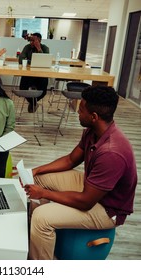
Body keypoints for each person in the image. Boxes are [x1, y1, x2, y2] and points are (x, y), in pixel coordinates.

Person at [20, 85, 137, 260]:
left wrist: (44, 193)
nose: (77, 113)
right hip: (92, 188)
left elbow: (85, 202)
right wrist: (37, 170)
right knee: (39, 179)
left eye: (81, 110)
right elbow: (70, 160)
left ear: (94, 116)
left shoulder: (112, 152)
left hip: (107, 208)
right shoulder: (94, 131)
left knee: (41, 218)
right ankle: (39, 237)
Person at [18, 32, 50, 113]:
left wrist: (39, 49)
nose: (32, 42)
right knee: (22, 89)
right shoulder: (27, 47)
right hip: (28, 74)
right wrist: (32, 62)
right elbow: (21, 60)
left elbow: (45, 61)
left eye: (34, 40)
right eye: (31, 40)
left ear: (40, 40)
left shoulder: (45, 48)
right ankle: (34, 103)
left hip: (41, 75)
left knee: (42, 92)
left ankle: (32, 103)